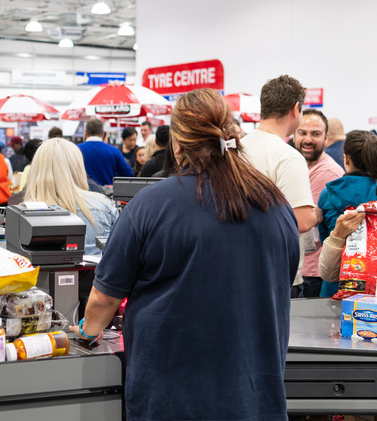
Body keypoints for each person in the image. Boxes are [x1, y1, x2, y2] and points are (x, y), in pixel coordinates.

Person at [73, 89, 299, 420]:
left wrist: (87, 332)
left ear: (177, 144)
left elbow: (104, 299)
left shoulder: (151, 205)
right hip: (255, 396)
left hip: (172, 396)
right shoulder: (276, 204)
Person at [240, 74, 316, 295]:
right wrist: (315, 215)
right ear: (296, 108)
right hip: (277, 272)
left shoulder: (236, 148)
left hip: (240, 266)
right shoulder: (287, 157)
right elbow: (301, 221)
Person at [317, 130, 377, 297]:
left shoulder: (327, 194)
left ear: (346, 159)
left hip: (337, 280)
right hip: (376, 281)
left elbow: (324, 236)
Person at [24, 138, 117, 255]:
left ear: (36, 169)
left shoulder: (24, 213)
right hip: (96, 272)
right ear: (78, 167)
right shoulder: (102, 206)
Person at [294, 109, 344, 298]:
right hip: (301, 267)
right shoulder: (298, 165)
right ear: (294, 134)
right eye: (303, 133)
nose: (308, 139)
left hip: (312, 272)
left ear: (326, 138)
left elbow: (303, 220)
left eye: (315, 134)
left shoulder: (327, 173)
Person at [77, 118, 134, 186]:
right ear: (103, 133)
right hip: (106, 194)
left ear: (85, 132)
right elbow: (129, 175)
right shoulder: (114, 151)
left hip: (82, 193)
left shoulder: (76, 150)